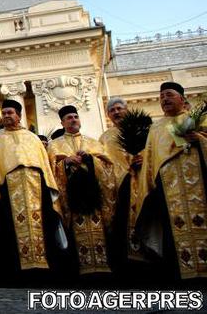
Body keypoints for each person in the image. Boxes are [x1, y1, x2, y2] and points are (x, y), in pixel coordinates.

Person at [0, 99, 65, 287]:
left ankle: (44, 273)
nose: (7, 116)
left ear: (19, 115)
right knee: (8, 233)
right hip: (7, 193)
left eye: (10, 112)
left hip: (37, 190)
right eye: (4, 113)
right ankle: (15, 275)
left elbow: (46, 168)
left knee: (43, 229)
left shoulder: (32, 138)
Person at [133, 82, 207, 281]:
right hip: (168, 195)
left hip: (201, 188)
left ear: (182, 99)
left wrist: (200, 140)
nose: (164, 99)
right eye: (161, 97)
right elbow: (150, 163)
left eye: (169, 94)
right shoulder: (156, 129)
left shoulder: (198, 119)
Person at [46, 105, 115, 279]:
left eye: (75, 117)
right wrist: (66, 162)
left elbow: (108, 167)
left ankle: (102, 269)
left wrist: (90, 159)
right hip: (71, 198)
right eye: (69, 118)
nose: (73, 120)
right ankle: (78, 273)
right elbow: (50, 170)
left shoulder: (93, 142)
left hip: (92, 196)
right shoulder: (55, 145)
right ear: (62, 122)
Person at [98, 97, 147, 280]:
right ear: (108, 115)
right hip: (118, 187)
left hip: (141, 182)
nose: (116, 112)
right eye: (112, 110)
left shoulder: (142, 130)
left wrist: (143, 159)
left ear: (127, 110)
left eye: (119, 109)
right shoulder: (105, 137)